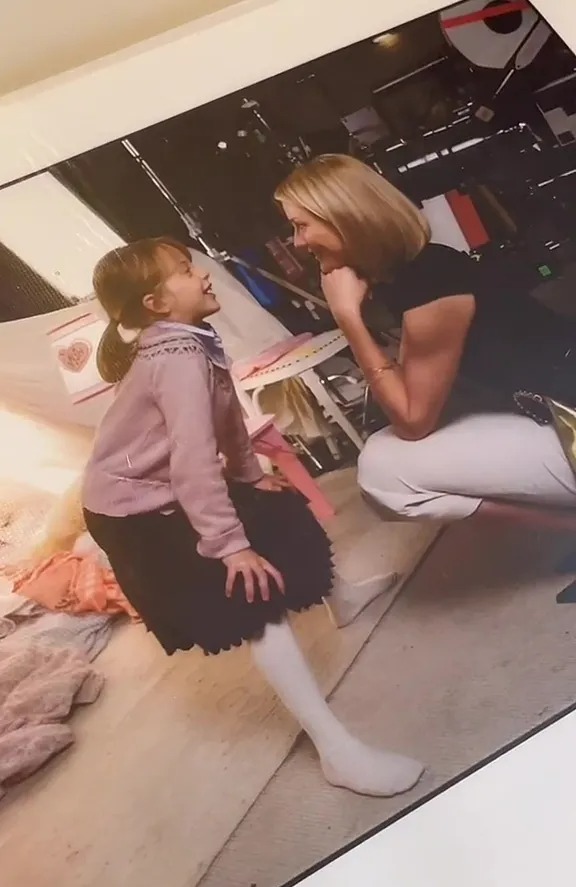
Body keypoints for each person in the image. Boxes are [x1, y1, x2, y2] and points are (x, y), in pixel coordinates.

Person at [81, 236, 423, 797]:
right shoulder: (174, 360)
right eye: (186, 272)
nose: (203, 275)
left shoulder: (191, 339)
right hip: (134, 510)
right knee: (253, 589)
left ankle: (343, 598)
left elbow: (226, 418)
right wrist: (229, 545)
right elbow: (191, 461)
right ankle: (335, 747)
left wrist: (247, 475)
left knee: (280, 507)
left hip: (173, 484)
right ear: (155, 304)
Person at [275, 155, 576, 562]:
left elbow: (414, 420)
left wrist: (347, 319)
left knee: (386, 472)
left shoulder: (429, 282)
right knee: (386, 452)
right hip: (554, 409)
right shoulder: (418, 270)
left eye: (301, 225)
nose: (297, 242)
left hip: (568, 418)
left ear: (345, 218)